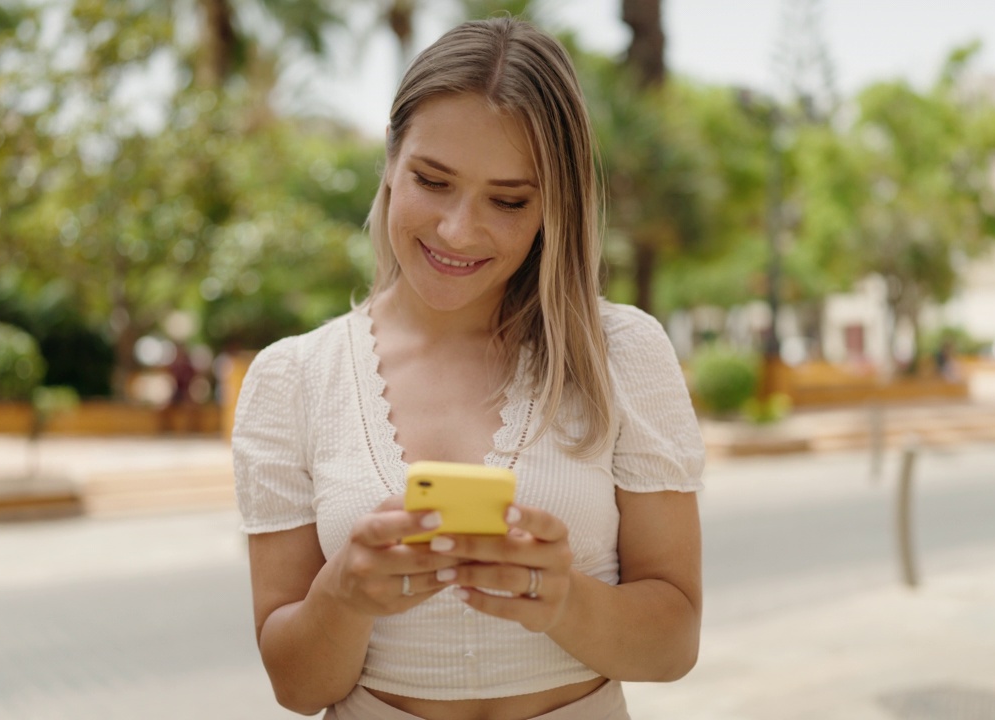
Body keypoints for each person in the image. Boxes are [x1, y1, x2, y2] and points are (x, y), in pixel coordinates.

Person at [232, 17, 705, 719]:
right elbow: (298, 688)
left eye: (508, 200)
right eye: (433, 180)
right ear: (391, 160)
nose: (458, 229)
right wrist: (345, 594)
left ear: (554, 205)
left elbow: (673, 646)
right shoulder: (292, 381)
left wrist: (564, 598)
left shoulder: (622, 354)